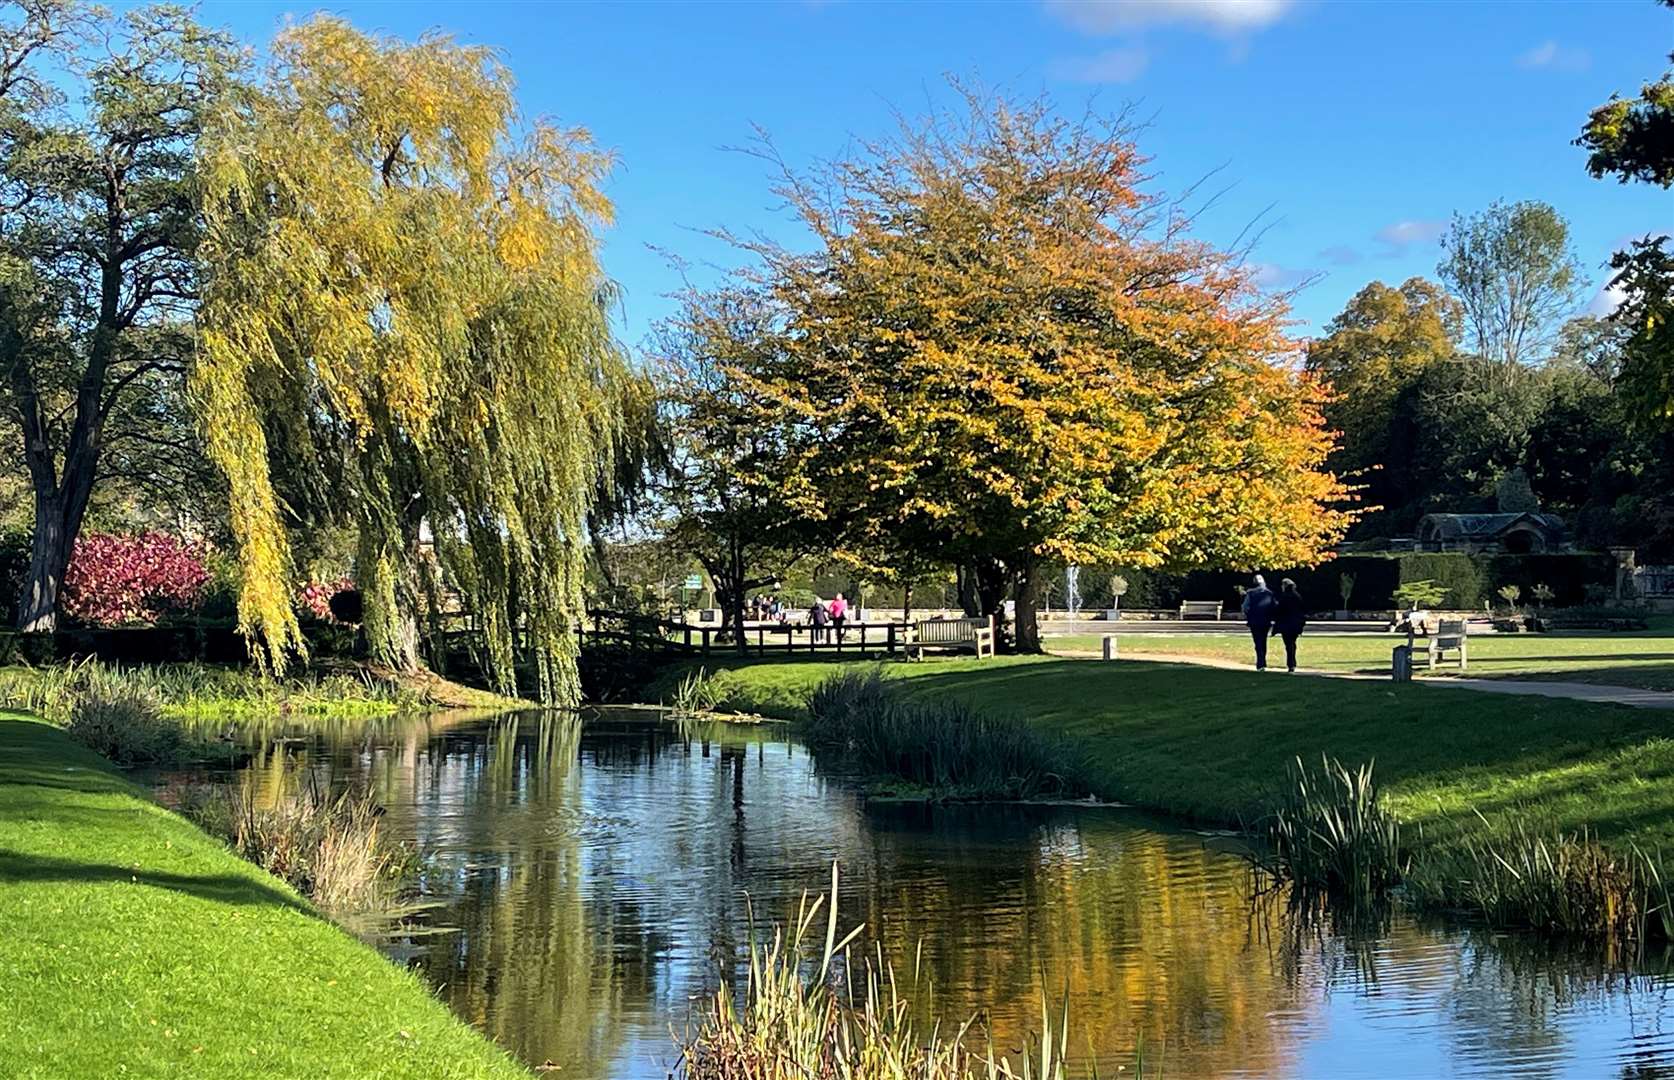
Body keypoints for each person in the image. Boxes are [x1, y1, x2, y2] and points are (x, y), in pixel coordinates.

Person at [1240, 574, 1277, 671]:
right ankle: (1263, 662)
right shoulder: (1270, 593)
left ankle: (1260, 663)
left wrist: (1249, 614)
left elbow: (1245, 607)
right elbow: (1274, 607)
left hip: (1255, 621)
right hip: (1266, 621)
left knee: (1257, 641)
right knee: (1263, 641)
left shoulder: (1251, 593)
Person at [1274, 578, 1307, 673]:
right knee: (1292, 643)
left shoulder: (1284, 597)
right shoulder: (1297, 596)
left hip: (1286, 624)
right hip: (1296, 624)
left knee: (1288, 644)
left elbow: (1279, 610)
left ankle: (1291, 664)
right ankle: (1292, 662)